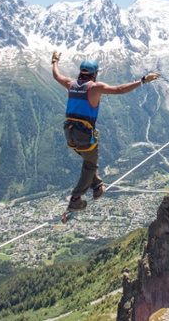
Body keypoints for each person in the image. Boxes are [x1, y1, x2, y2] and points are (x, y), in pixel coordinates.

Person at [51, 50, 161, 211]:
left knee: (89, 160)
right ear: (94, 74)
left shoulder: (70, 84)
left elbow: (56, 75)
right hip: (85, 136)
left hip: (70, 134)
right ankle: (76, 198)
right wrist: (143, 80)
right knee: (89, 165)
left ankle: (97, 187)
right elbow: (120, 90)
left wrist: (54, 61)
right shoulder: (95, 87)